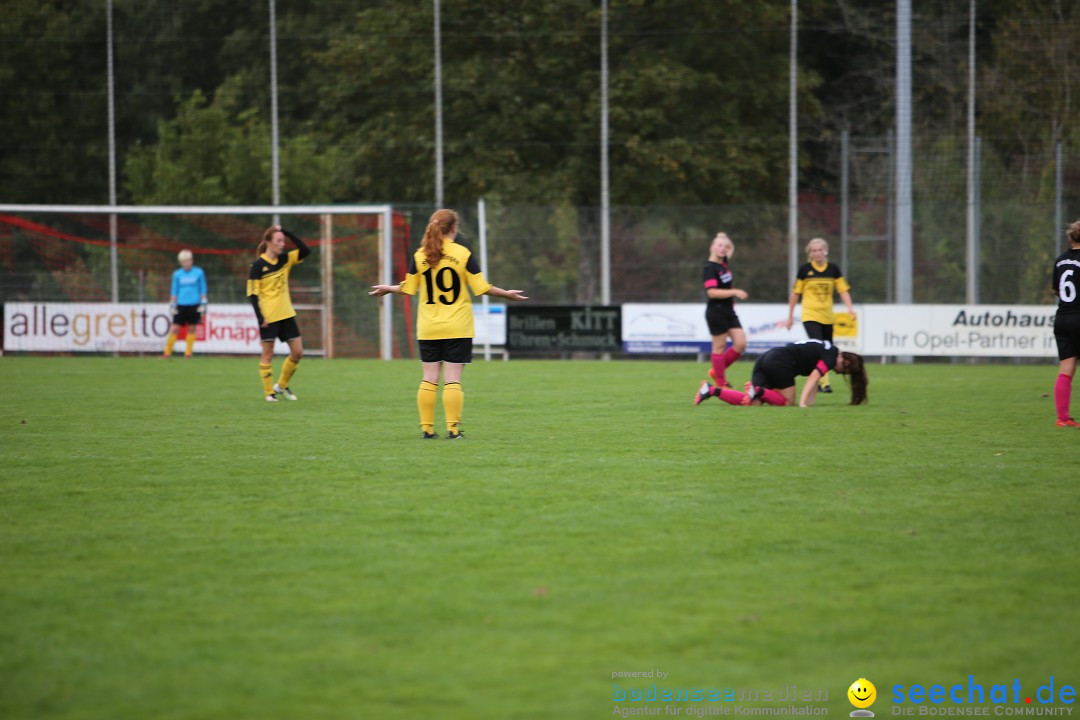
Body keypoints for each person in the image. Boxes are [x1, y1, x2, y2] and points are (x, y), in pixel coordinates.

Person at [369, 209, 528, 439]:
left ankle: (427, 429)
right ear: (454, 228)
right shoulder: (462, 254)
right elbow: (482, 287)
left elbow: (409, 288)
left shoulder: (420, 255)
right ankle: (453, 430)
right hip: (457, 326)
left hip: (428, 327)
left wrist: (388, 288)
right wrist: (507, 294)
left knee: (429, 378)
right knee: (452, 379)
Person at [695, 339, 868, 407]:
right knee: (787, 402)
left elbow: (814, 380)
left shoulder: (827, 350)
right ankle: (758, 391)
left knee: (751, 405)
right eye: (843, 371)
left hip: (768, 357)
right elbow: (815, 376)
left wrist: (811, 403)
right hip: (781, 363)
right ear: (844, 362)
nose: (839, 373)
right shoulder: (831, 357)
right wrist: (802, 404)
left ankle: (711, 390)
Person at [246, 224, 310, 402]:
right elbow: (253, 294)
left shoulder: (285, 260)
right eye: (279, 241)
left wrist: (287, 232)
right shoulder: (257, 266)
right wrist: (260, 317)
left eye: (284, 241)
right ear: (268, 242)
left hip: (287, 314)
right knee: (267, 354)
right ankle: (269, 393)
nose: (283, 244)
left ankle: (281, 386)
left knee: (298, 353)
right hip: (269, 316)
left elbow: (305, 250)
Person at [785, 238, 856, 393]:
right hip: (810, 315)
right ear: (810, 253)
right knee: (820, 346)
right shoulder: (804, 270)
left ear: (826, 251)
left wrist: (850, 308)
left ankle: (818, 380)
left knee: (829, 348)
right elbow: (795, 294)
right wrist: (790, 316)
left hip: (827, 317)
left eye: (820, 250)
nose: (817, 253)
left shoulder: (833, 270)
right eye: (814, 250)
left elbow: (842, 290)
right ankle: (824, 384)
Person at [702, 232, 748, 389]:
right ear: (712, 247)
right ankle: (721, 384)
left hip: (729, 311)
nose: (723, 248)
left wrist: (724, 237)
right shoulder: (710, 268)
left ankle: (717, 371)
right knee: (719, 348)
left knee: (740, 344)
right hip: (716, 311)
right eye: (719, 245)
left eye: (725, 246)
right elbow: (712, 292)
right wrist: (734, 292)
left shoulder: (723, 263)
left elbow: (731, 247)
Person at [1051, 219, 1080, 427]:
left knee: (1065, 370)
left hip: (1062, 317)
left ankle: (1063, 418)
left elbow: (1056, 290)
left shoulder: (1061, 260)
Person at [162, 249, 207, 358]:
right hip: (180, 304)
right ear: (180, 262)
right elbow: (174, 290)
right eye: (184, 262)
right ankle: (167, 353)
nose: (186, 264)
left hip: (194, 304)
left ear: (191, 261)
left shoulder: (198, 272)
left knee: (192, 328)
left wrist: (204, 303)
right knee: (175, 328)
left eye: (188, 261)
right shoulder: (177, 274)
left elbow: (202, 288)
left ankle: (188, 353)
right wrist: (173, 303)